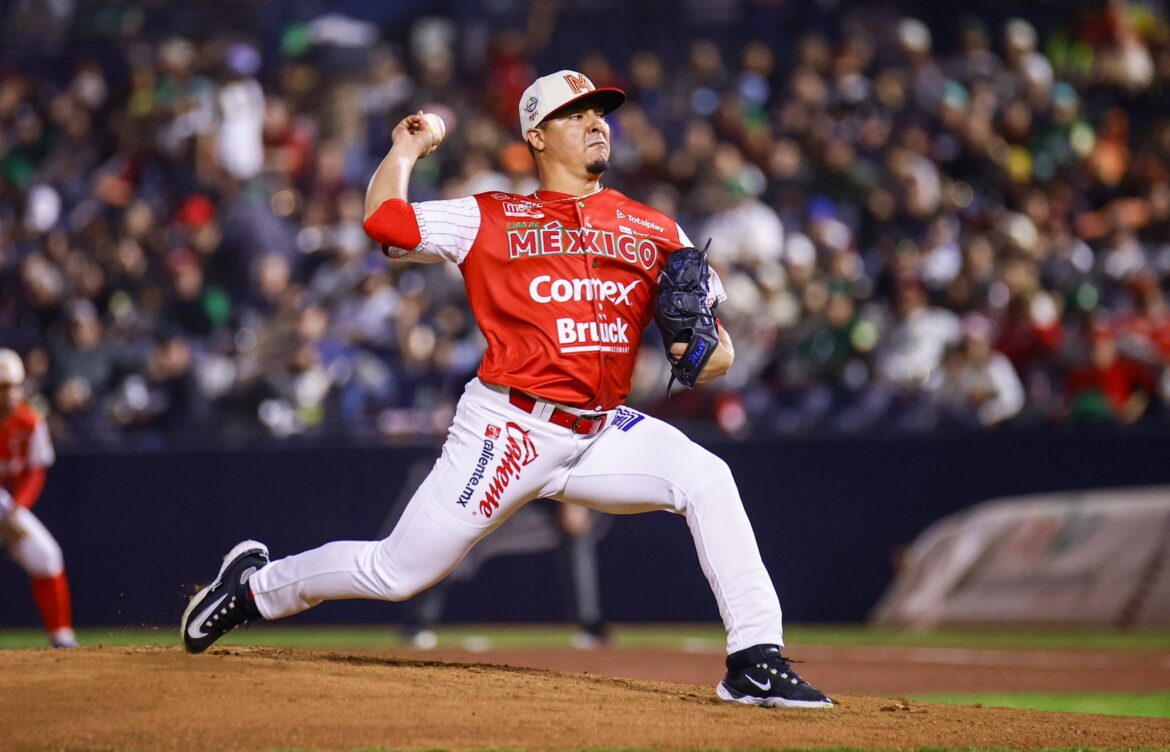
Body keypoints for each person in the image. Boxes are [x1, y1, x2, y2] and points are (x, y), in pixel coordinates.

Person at [181, 70, 833, 709]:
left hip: (601, 429)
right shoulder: (491, 215)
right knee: (396, 572)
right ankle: (254, 588)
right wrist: (405, 149)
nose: (594, 124)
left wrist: (700, 353)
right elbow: (387, 224)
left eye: (599, 113)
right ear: (537, 135)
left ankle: (755, 661)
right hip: (509, 429)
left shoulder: (656, 230)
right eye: (575, 115)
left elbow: (718, 354)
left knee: (708, 478)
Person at [0, 349, 78, 649]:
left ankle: (61, 634)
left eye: (13, 386)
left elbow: (36, 472)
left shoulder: (30, 422)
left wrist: (15, 510)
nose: (9, 393)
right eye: (2, 387)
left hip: (8, 506)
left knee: (47, 557)